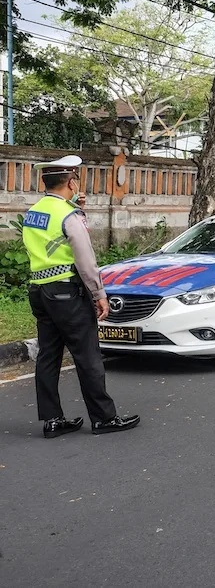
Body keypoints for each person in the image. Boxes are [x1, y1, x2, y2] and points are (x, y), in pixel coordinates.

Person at [22, 155, 140, 438]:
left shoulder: (34, 212)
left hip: (39, 290)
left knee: (48, 356)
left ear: (45, 182)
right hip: (66, 292)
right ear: (71, 181)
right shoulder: (69, 215)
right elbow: (85, 261)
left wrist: (76, 209)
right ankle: (103, 418)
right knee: (87, 355)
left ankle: (52, 420)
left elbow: (50, 244)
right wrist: (99, 293)